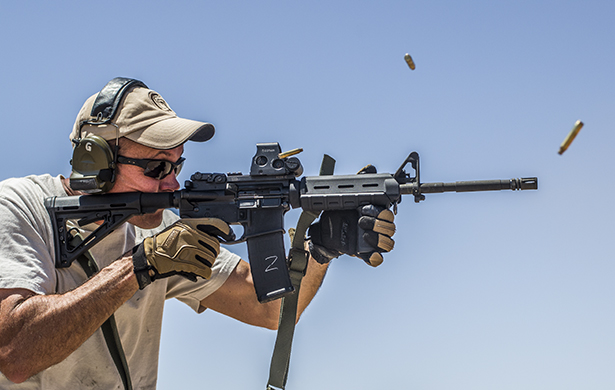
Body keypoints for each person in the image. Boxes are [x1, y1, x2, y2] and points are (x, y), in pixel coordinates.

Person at [0, 77, 396, 389]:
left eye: (177, 166)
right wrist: (139, 266)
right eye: (157, 169)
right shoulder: (19, 207)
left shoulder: (162, 226)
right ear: (95, 161)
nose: (172, 184)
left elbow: (270, 309)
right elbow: (14, 351)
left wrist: (321, 250)